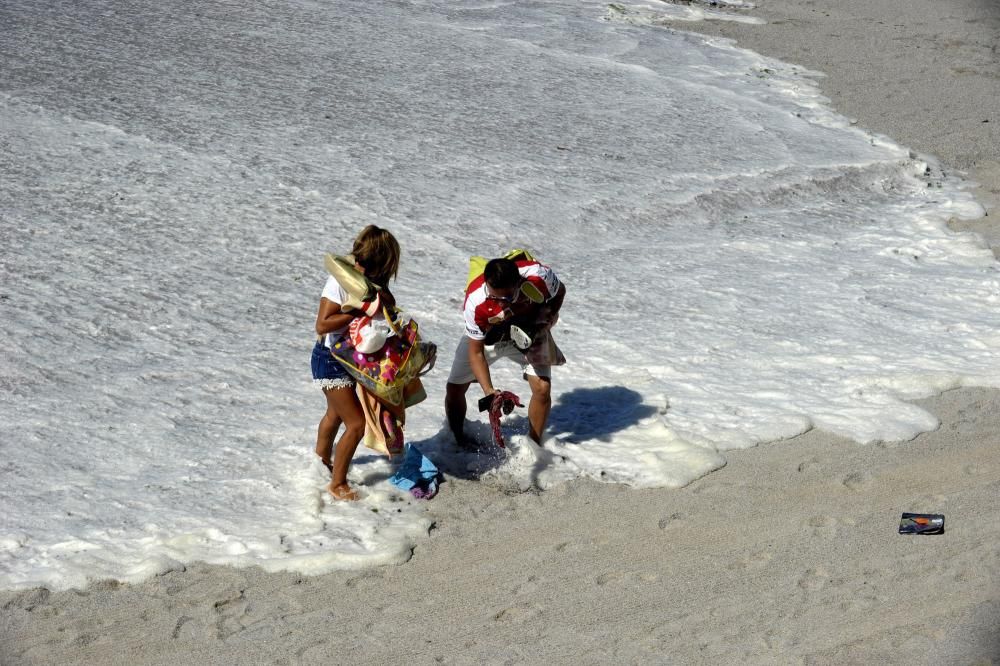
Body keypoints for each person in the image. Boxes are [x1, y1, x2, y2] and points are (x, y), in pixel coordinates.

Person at [312, 225, 400, 501]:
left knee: (335, 415)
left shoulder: (371, 281)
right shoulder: (339, 282)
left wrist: (381, 299)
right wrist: (360, 309)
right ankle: (337, 484)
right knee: (356, 424)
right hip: (330, 360)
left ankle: (320, 462)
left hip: (350, 359)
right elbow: (323, 324)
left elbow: (389, 308)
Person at [445, 254, 566, 445]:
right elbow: (476, 352)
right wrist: (489, 391)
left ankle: (534, 447)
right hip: (489, 338)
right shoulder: (475, 302)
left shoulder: (538, 276)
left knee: (543, 389)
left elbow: (560, 290)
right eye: (495, 297)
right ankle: (456, 441)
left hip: (528, 331)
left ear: (519, 282)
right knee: (454, 389)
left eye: (508, 297)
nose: (502, 303)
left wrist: (547, 317)